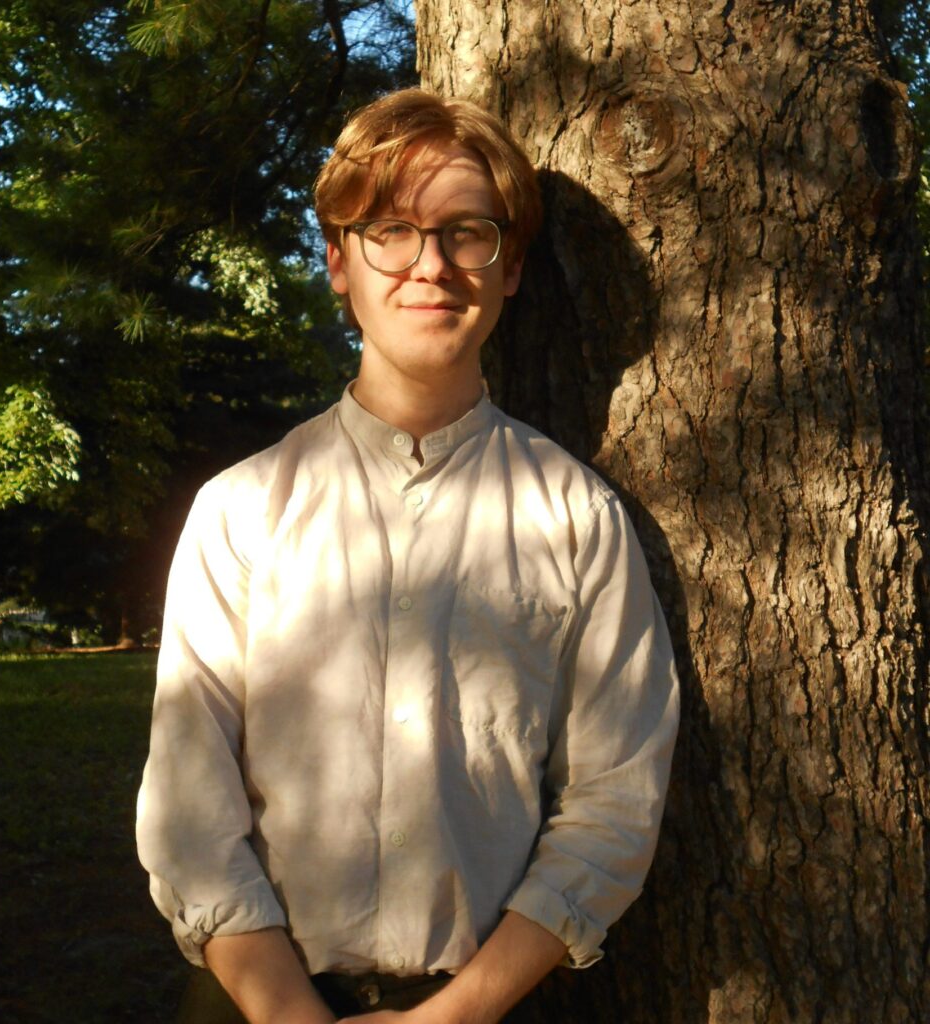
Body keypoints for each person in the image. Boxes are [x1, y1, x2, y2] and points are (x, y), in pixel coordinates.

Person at [136, 87, 679, 1024]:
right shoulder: (239, 510)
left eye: (469, 232)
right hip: (250, 1002)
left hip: (490, 1006)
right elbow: (189, 803)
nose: (431, 265)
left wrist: (454, 1018)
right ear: (339, 262)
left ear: (509, 269)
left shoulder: (578, 517)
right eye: (390, 230)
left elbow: (614, 806)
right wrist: (286, 1013)